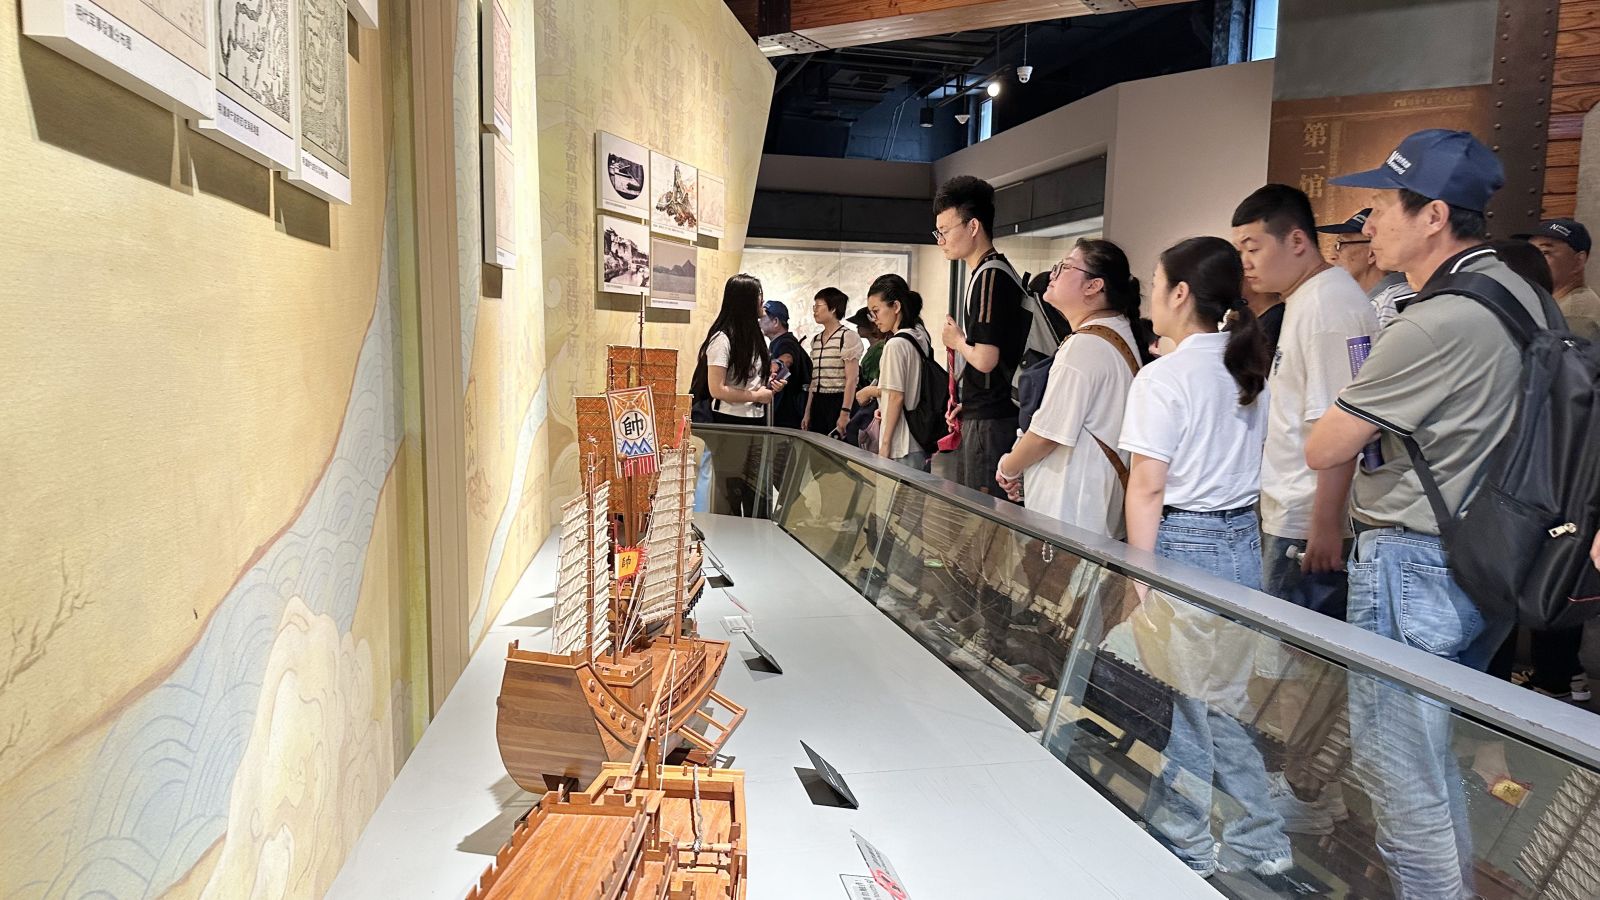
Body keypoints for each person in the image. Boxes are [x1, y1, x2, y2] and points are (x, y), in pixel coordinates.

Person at [1306, 129, 1550, 899]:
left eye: (1382, 206)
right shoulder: (1522, 295)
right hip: (1491, 557)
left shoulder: (1435, 321)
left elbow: (1325, 444)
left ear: (1434, 215)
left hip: (1415, 562)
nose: (1367, 223)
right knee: (1431, 760)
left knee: (1399, 769)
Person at [1118, 236, 1290, 881]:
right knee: (1220, 701)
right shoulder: (1244, 367)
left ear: (1181, 293)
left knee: (1187, 704)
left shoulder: (1164, 377)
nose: (1151, 297)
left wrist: (1138, 574)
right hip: (1242, 544)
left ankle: (1184, 838)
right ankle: (1258, 835)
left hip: (1185, 544)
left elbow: (1147, 486)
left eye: (1156, 284)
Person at [1232, 185, 1378, 605]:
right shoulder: (1309, 298)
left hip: (1305, 520)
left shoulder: (1327, 306)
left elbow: (1342, 426)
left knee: (1285, 642)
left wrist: (1325, 526)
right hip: (1293, 510)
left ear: (1297, 240)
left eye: (1253, 248)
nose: (1246, 263)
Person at [1481, 239, 1592, 702]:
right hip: (1557, 489)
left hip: (1534, 492)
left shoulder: (1557, 331)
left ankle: (1552, 682)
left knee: (1530, 590)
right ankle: (1552, 680)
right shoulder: (1555, 328)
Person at [994, 239, 1152, 537]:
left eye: (1065, 267)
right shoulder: (1117, 333)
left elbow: (1045, 435)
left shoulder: (1085, 346)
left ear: (1093, 286)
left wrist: (1008, 468)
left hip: (1072, 516)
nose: (1053, 274)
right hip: (1092, 511)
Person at [934, 176, 1028, 499]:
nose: (941, 241)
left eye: (945, 231)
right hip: (989, 414)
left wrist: (956, 340)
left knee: (983, 514)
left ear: (973, 226)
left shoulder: (989, 275)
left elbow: (986, 359)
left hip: (992, 421)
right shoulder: (994, 271)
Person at [693, 274, 783, 514]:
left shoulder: (756, 337)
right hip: (730, 423)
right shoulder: (721, 339)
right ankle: (726, 535)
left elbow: (751, 380)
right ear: (745, 300)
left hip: (757, 421)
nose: (763, 301)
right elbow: (717, 389)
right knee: (729, 491)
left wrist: (769, 386)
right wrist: (756, 396)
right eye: (759, 295)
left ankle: (755, 534)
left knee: (757, 492)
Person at [868, 275, 937, 471]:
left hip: (900, 445)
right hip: (918, 440)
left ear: (896, 306)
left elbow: (896, 397)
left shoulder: (895, 345)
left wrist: (884, 446)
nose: (875, 319)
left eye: (876, 311)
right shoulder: (920, 336)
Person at [1317, 207, 1414, 330]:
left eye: (1340, 245)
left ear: (1372, 253)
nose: (1332, 256)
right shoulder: (1369, 302)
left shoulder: (1393, 302)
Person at [1517, 217, 1600, 339]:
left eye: (1545, 253)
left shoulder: (1574, 315)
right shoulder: (1556, 306)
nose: (1533, 261)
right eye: (1530, 253)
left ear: (1579, 261)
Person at [802, 287, 863, 438]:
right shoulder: (816, 340)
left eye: (818, 306)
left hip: (839, 401)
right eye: (814, 306)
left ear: (833, 308)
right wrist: (807, 412)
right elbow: (814, 380)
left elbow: (852, 379)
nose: (815, 310)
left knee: (837, 447)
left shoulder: (847, 337)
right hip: (818, 402)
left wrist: (845, 413)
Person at [760, 300, 810, 430]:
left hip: (788, 417)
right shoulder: (778, 343)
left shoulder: (786, 342)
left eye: (763, 318)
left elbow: (787, 358)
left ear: (775, 322)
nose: (759, 321)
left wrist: (776, 364)